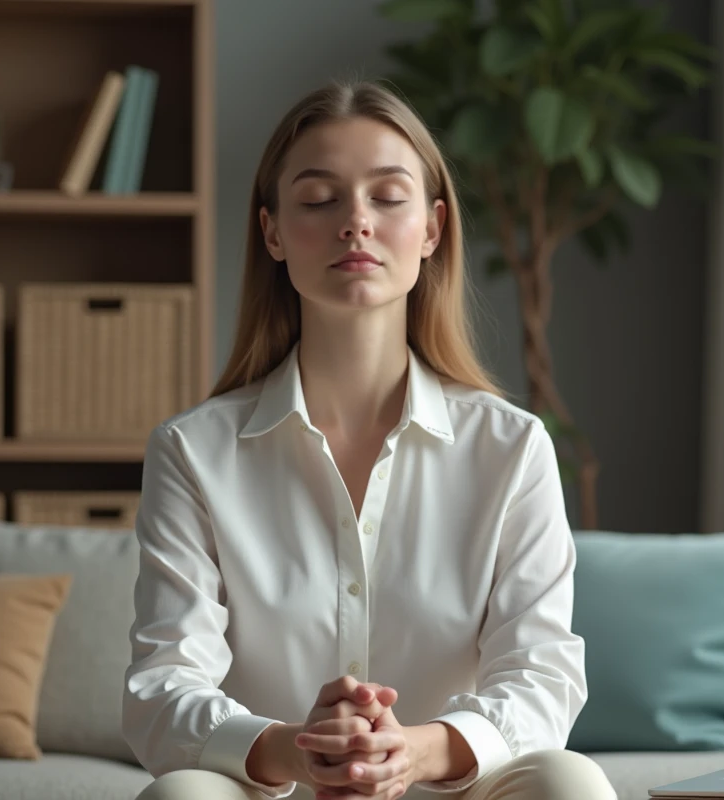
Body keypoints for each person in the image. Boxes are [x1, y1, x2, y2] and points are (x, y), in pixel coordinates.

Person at [122, 79, 617, 800]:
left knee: (570, 781)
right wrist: (297, 751)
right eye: (320, 200)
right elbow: (162, 686)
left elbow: (541, 675)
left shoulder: (511, 448)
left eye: (388, 197)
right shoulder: (193, 452)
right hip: (278, 791)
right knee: (181, 795)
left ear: (432, 229)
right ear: (273, 233)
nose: (356, 221)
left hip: (444, 788)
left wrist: (414, 752)